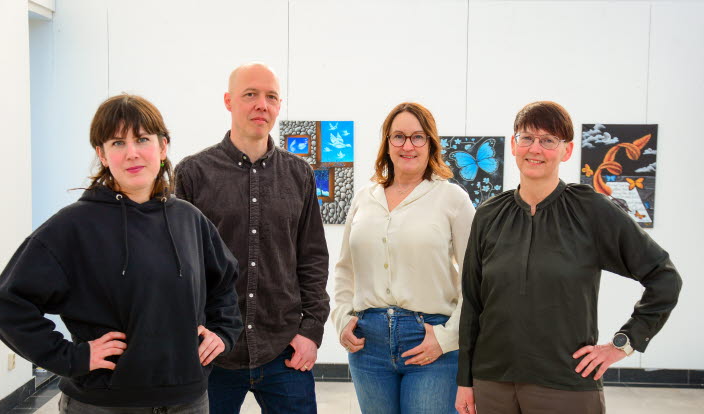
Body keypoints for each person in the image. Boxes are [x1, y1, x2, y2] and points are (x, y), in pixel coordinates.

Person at [0, 94, 242, 413]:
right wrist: (71, 357)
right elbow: (7, 304)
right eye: (117, 143)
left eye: (142, 139)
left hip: (187, 401)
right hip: (104, 404)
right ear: (102, 154)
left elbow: (225, 286)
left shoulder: (189, 219)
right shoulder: (72, 226)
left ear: (162, 148)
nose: (132, 153)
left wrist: (223, 332)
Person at [455, 101, 683, 414]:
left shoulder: (591, 210)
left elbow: (664, 277)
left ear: (566, 150)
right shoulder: (489, 214)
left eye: (548, 140)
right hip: (493, 384)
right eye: (527, 138)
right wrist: (465, 381)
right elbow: (473, 303)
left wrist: (624, 343)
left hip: (565, 385)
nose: (535, 148)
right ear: (513, 144)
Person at [174, 63, 329, 414]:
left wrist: (311, 330)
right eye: (250, 95)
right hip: (212, 352)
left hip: (284, 350)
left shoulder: (299, 174)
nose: (262, 104)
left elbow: (313, 259)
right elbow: (178, 266)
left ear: (278, 106)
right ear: (229, 101)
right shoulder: (192, 173)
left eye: (271, 96)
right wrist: (193, 330)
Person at [332, 102, 475, 413]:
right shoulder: (364, 198)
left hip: (430, 341)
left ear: (431, 143)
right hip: (368, 344)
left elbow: (475, 279)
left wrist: (448, 337)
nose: (407, 145)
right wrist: (342, 318)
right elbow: (345, 269)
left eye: (417, 137)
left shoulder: (452, 199)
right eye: (398, 136)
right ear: (387, 143)